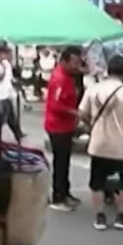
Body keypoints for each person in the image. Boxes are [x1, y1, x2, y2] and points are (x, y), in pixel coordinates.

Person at [78, 55, 123, 231]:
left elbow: (82, 113)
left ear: (108, 70)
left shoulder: (94, 89)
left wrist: (92, 125)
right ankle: (121, 217)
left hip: (98, 144)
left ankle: (100, 217)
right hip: (122, 145)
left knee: (97, 182)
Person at [44, 47, 83, 211]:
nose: (77, 66)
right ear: (64, 61)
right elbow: (55, 104)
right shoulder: (59, 78)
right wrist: (75, 112)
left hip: (66, 125)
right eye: (74, 62)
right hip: (57, 126)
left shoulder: (69, 76)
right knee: (60, 162)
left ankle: (65, 192)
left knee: (65, 160)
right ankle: (58, 196)